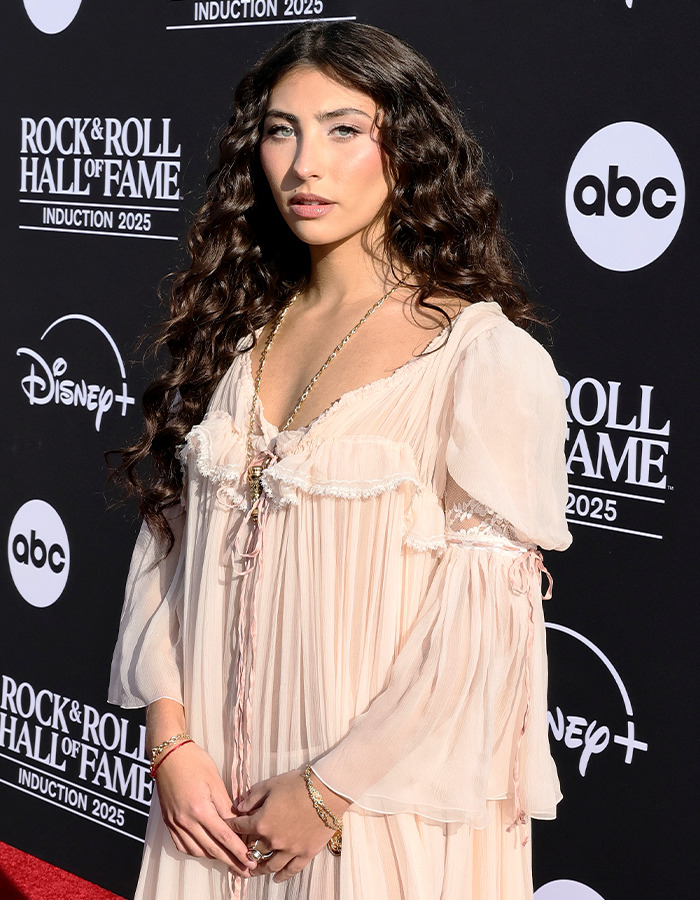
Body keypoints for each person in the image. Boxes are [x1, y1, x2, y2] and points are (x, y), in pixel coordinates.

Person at [108, 20, 571, 900]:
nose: (302, 164)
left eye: (343, 129)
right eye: (281, 130)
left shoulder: (480, 359)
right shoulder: (238, 340)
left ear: (410, 148)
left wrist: (328, 793)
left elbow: (483, 635)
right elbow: (165, 556)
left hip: (371, 821)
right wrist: (170, 745)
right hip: (208, 811)